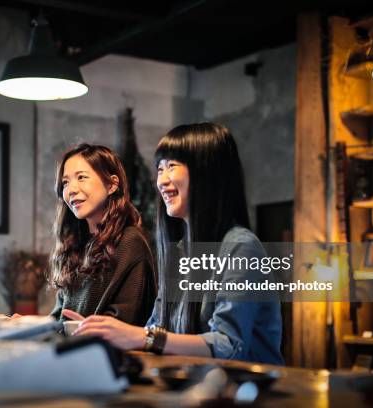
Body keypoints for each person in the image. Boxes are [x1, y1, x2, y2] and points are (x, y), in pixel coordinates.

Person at [64, 123, 284, 365]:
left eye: (172, 166)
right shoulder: (179, 251)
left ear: (207, 173)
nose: (162, 180)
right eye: (159, 169)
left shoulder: (242, 247)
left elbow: (229, 345)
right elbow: (156, 327)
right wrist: (102, 333)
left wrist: (143, 337)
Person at [48, 144, 157, 326]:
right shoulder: (75, 244)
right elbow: (60, 316)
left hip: (109, 352)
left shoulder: (130, 242)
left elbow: (124, 322)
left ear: (112, 184)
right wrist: (28, 325)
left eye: (81, 177)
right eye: (65, 182)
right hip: (75, 349)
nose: (71, 189)